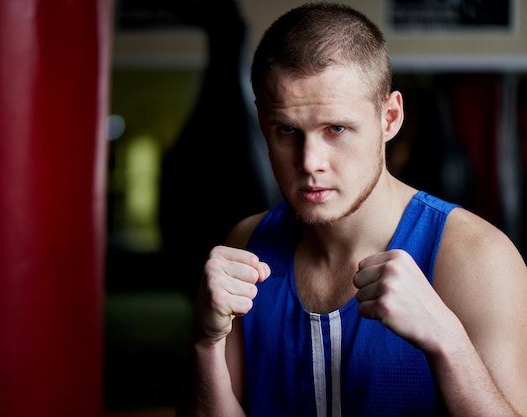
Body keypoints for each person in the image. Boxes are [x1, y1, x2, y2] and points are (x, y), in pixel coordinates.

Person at [176, 2, 527, 417]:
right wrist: (205, 343)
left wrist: (448, 341)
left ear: (390, 118)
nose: (310, 162)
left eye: (336, 129)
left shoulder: (477, 258)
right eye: (287, 130)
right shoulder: (247, 245)